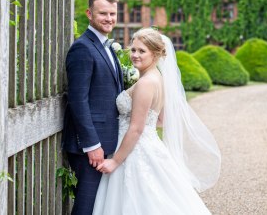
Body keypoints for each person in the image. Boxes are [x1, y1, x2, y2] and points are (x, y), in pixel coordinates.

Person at [92, 28, 221, 214]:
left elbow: (136, 129)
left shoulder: (145, 83)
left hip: (134, 151)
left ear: (156, 53)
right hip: (149, 144)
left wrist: (115, 161)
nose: (135, 55)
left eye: (141, 51)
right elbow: (161, 119)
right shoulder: (158, 78)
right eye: (133, 50)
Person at [62, 0, 124, 215]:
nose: (109, 18)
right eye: (103, 14)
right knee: (86, 205)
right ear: (89, 13)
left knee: (100, 204)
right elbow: (78, 100)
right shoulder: (82, 48)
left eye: (113, 13)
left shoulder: (106, 46)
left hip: (107, 140)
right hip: (89, 146)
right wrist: (92, 145)